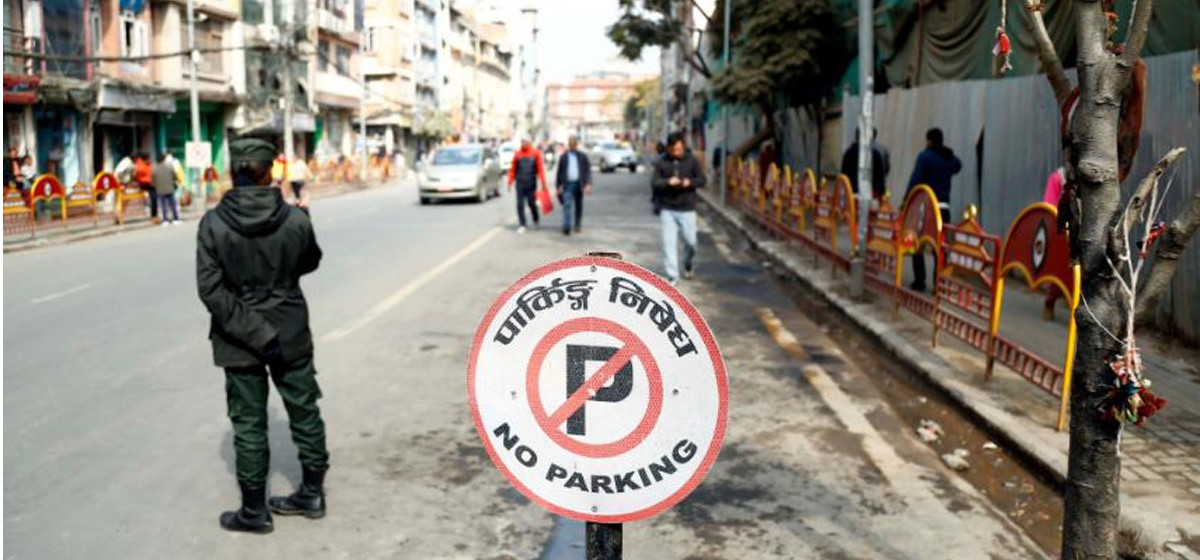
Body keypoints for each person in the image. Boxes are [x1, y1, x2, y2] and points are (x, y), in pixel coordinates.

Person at [196, 138, 328, 534]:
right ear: (270, 172)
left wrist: (255, 331)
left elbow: (210, 290)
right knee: (304, 410)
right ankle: (312, 494)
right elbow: (310, 262)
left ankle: (254, 512)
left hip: (238, 339)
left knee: (249, 424)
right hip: (290, 331)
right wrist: (302, 225)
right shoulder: (296, 219)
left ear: (232, 172)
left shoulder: (212, 224)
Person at [905, 128, 962, 292]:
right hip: (943, 208)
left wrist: (907, 201)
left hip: (926, 208)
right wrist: (948, 153)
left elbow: (915, 180)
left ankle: (920, 281)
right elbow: (958, 165)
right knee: (940, 247)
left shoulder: (925, 157)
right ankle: (938, 285)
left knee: (917, 242)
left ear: (929, 140)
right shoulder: (948, 159)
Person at [652, 132, 706, 285]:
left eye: (679, 149)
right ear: (668, 148)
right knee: (668, 244)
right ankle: (673, 275)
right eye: (674, 149)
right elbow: (655, 183)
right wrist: (668, 182)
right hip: (668, 209)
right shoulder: (661, 162)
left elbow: (702, 180)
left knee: (691, 242)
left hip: (687, 208)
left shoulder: (692, 161)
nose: (677, 152)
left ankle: (688, 263)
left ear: (683, 147)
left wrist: (690, 182)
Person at [506, 137, 547, 234]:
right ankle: (522, 224)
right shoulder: (517, 154)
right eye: (522, 141)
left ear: (529, 142)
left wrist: (543, 183)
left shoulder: (535, 153)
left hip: (531, 183)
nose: (523, 143)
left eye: (524, 141)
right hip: (520, 183)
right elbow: (513, 169)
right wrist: (510, 182)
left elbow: (540, 169)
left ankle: (536, 218)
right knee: (520, 205)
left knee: (531, 203)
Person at [1041, 166, 1066, 320]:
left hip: (1086, 231)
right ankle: (1049, 302)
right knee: (1060, 271)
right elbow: (1049, 206)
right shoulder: (1059, 178)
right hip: (1062, 231)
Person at [555, 136, 592, 236]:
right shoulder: (564, 157)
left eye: (573, 144)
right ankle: (566, 226)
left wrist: (588, 184)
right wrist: (558, 186)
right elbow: (559, 173)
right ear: (569, 145)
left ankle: (577, 225)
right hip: (567, 184)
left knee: (578, 206)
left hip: (579, 184)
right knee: (566, 205)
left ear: (576, 145)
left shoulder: (582, 156)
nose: (572, 146)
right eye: (570, 144)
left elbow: (587, 171)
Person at [840, 127, 891, 199]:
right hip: (872, 194)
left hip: (851, 194)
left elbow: (843, 174)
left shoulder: (849, 151)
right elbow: (885, 172)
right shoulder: (881, 151)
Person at [153, 153, 180, 225]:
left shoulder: (155, 168)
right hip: (170, 188)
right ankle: (176, 219)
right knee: (173, 204)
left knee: (163, 205)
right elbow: (175, 176)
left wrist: (156, 186)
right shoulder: (169, 166)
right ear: (164, 159)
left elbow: (153, 180)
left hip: (160, 189)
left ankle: (165, 220)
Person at [134, 153, 157, 219]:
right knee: (152, 199)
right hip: (145, 184)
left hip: (150, 183)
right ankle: (153, 214)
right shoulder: (140, 165)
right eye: (148, 158)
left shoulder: (148, 164)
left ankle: (154, 214)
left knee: (154, 199)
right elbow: (139, 175)